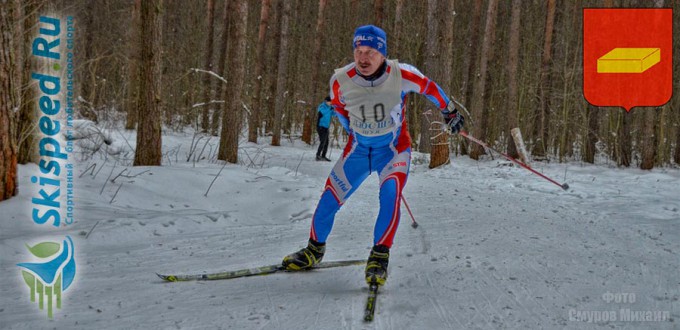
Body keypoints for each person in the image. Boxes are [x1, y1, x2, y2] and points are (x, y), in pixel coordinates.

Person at [282, 25, 464, 286]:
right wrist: (352, 128)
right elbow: (339, 108)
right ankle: (314, 250)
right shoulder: (340, 80)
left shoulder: (402, 74)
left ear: (382, 53)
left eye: (370, 52)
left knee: (390, 195)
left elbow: (430, 88)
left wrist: (450, 112)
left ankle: (379, 256)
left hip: (392, 151)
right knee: (328, 200)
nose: (363, 58)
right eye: (358, 51)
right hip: (358, 151)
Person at [316, 96, 334, 161]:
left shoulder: (330, 108)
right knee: (323, 141)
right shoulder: (322, 106)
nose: (331, 103)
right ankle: (318, 155)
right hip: (320, 126)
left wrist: (338, 110)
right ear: (326, 101)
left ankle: (323, 156)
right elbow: (322, 111)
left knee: (326, 142)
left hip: (326, 127)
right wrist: (331, 108)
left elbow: (334, 114)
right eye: (330, 101)